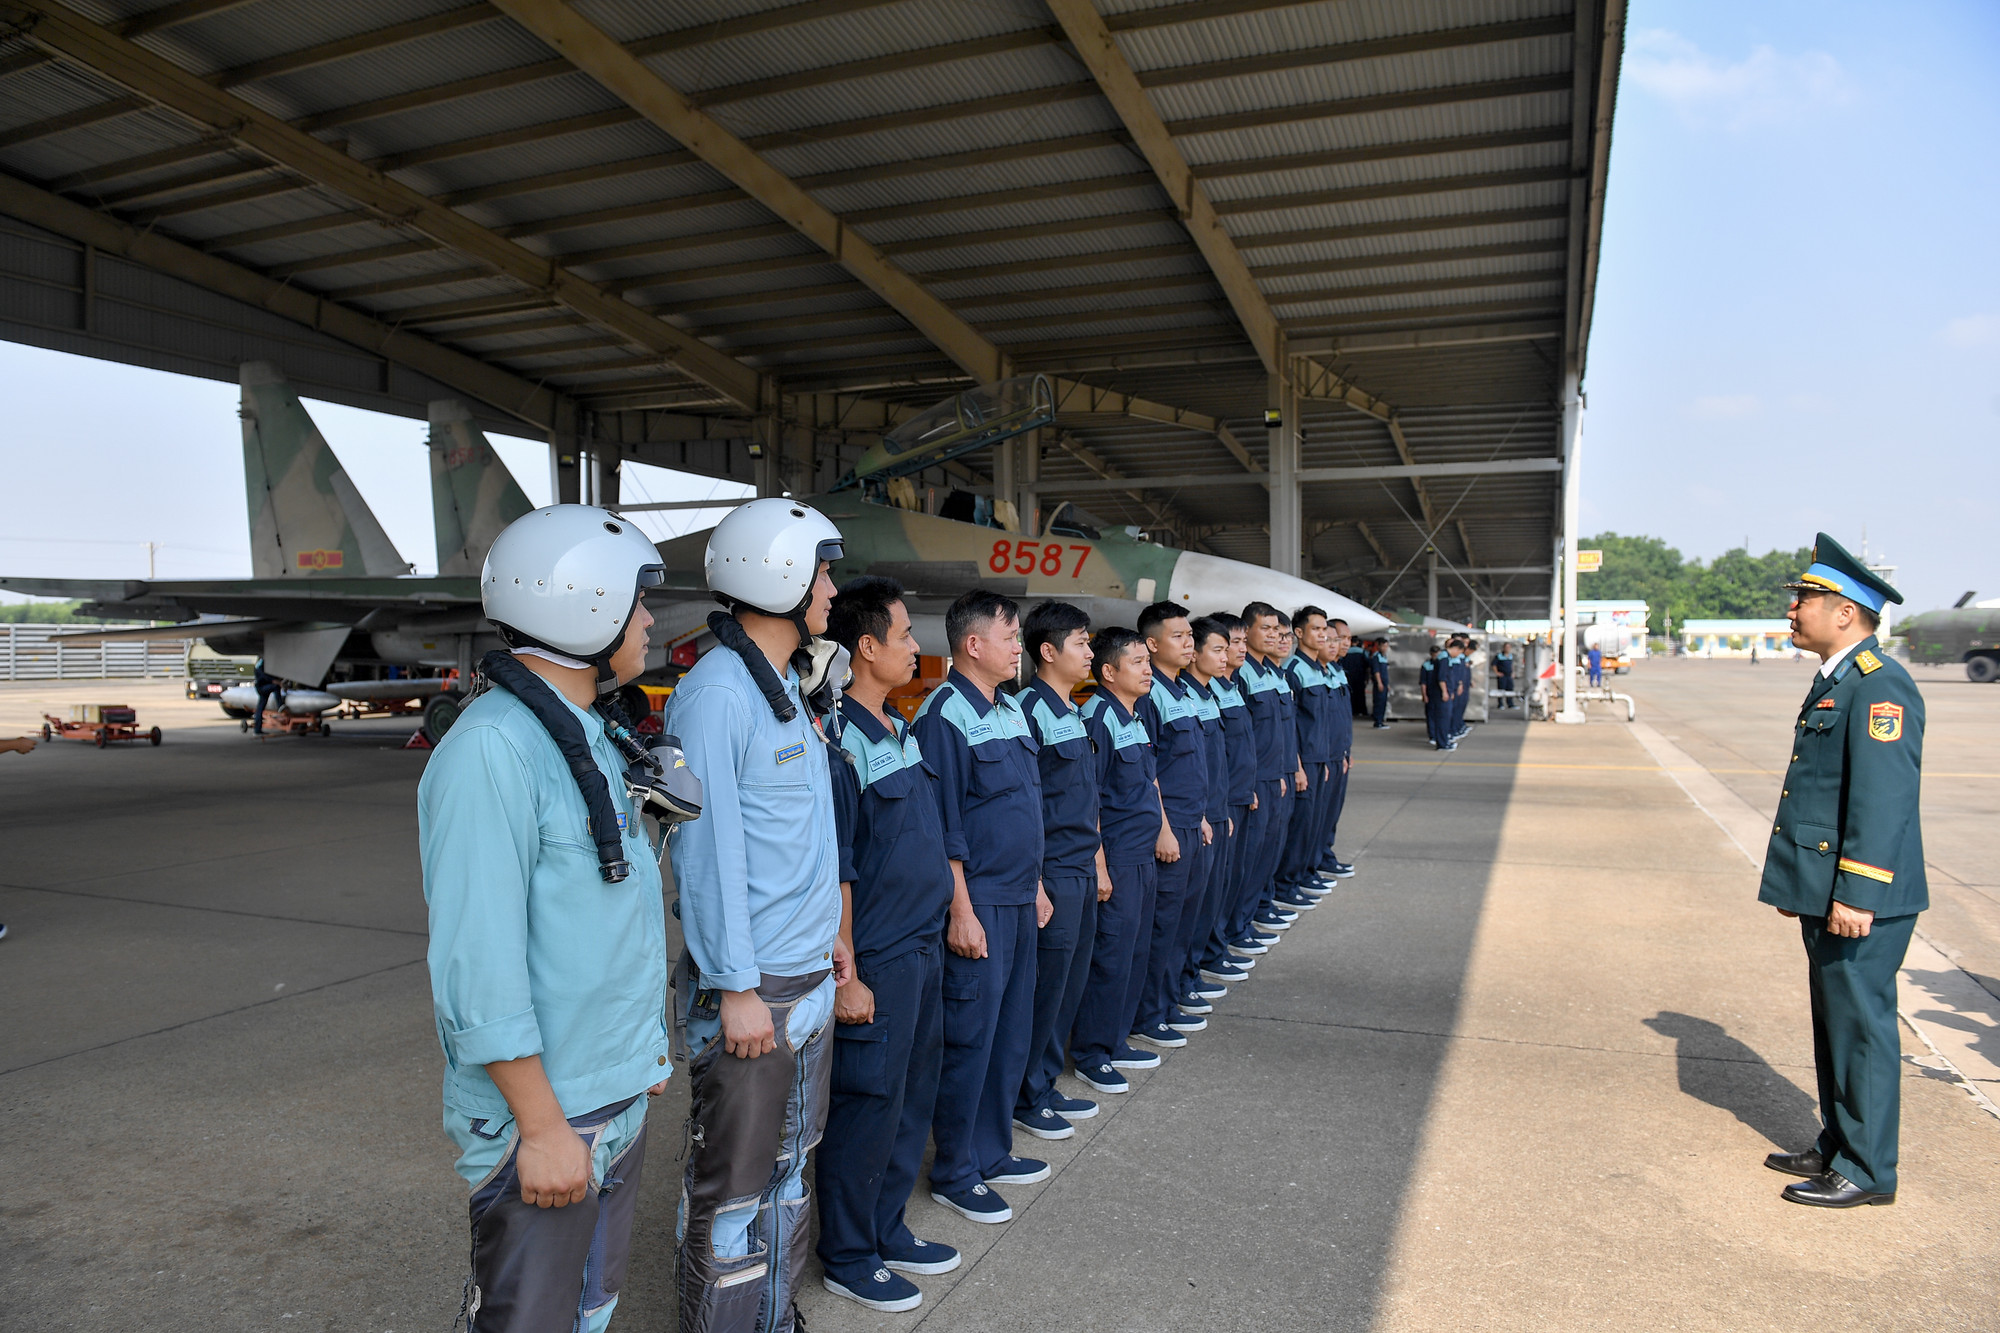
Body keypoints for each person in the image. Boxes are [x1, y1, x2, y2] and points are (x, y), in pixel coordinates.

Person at [417, 504, 674, 1333]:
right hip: (552, 1115)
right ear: (584, 603)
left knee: (589, 1311)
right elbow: (478, 965)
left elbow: (601, 918)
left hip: (608, 1094)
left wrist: (639, 1054)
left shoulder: (589, 734)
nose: (648, 619)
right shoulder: (492, 749)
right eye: (637, 600)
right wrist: (540, 1126)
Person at [666, 497, 848, 1333]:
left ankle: (772, 1318)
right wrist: (735, 986)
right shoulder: (717, 694)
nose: (831, 590)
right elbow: (707, 856)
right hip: (755, 993)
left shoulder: (783, 688)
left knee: (788, 1174)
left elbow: (797, 838)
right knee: (732, 1192)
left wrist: (832, 939)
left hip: (804, 979)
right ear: (780, 577)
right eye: (822, 573)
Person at [1758, 534, 1923, 1208]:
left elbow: (1882, 800)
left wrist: (1856, 892)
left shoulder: (1880, 685)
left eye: (1804, 600)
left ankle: (1868, 1168)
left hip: (1862, 897)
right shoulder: (1838, 679)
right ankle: (1838, 1142)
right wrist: (1801, 884)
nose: (1792, 610)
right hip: (1826, 891)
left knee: (1861, 1030)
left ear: (1846, 612)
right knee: (1835, 1025)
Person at [815, 576, 960, 1313]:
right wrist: (848, 975)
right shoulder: (840, 739)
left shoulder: (895, 725)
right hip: (880, 955)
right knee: (869, 1105)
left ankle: (885, 1227)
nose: (914, 646)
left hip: (923, 946)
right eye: (904, 634)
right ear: (866, 646)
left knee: (910, 1097)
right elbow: (838, 863)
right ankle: (848, 1253)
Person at [913, 591, 1049, 1225]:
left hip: (1020, 896)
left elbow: (1025, 803)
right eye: (1010, 636)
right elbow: (943, 827)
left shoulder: (1010, 707)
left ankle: (991, 1152)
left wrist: (1037, 882)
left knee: (1010, 1033)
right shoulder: (944, 715)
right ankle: (956, 1169)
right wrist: (961, 910)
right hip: (982, 902)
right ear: (974, 645)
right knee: (970, 1038)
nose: (1019, 646)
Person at [1014, 600, 1107, 1140]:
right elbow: (1028, 804)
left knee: (1068, 985)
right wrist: (1038, 881)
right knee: (1045, 989)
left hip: (1081, 865)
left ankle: (1044, 1083)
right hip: (1053, 872)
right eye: (1081, 643)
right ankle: (1026, 1094)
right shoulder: (1030, 709)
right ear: (1048, 651)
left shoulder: (1072, 709)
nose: (1089, 652)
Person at [1070, 627, 1167, 1097]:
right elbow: (1090, 799)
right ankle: (1092, 1053)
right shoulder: (1098, 718)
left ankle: (1116, 1038)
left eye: (1147, 661)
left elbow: (1147, 782)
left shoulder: (1134, 715)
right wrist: (1101, 865)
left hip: (1142, 855)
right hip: (1118, 857)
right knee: (1110, 956)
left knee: (1134, 951)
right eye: (1138, 662)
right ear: (1109, 672)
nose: (1148, 670)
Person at [1129, 602, 1213, 1052]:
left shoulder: (1180, 690)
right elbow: (1151, 772)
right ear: (1152, 644)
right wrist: (1164, 828)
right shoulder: (1150, 697)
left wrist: (1200, 816)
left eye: (1189, 635)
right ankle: (1148, 1013)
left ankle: (1169, 998)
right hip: (1169, 827)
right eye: (1177, 636)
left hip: (1190, 820)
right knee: (1161, 924)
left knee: (1182, 920)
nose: (1188, 643)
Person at [1172, 617, 1238, 1015]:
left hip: (1213, 809)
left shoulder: (1204, 695)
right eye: (1218, 649)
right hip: (1189, 818)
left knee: (1206, 899)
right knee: (1183, 912)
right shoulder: (1170, 696)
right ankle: (1178, 984)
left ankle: (1190, 974)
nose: (1226, 656)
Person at [1190, 613, 1259, 989]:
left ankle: (1214, 952)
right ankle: (1202, 963)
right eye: (1225, 645)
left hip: (1227, 800)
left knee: (1226, 881)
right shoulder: (1188, 695)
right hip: (1205, 810)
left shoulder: (1220, 690)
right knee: (1199, 899)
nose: (1234, 651)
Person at [1272, 607, 1335, 914]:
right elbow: (1292, 725)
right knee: (1299, 826)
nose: (1323, 635)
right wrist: (1297, 765)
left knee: (1313, 823)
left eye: (1324, 629)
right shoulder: (1294, 669)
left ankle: (1303, 875)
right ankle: (1287, 885)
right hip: (1304, 759)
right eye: (1317, 629)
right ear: (1300, 633)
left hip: (1320, 756)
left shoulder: (1318, 669)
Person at [1311, 617, 1357, 884]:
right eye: (1337, 638)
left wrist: (1345, 752)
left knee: (1330, 812)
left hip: (1337, 754)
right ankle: (1311, 864)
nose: (1341, 644)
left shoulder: (1335, 670)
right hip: (1320, 757)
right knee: (1314, 818)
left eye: (1345, 639)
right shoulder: (1303, 670)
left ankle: (1323, 856)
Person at [251, 656, 287, 735]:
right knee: (276, 687)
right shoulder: (260, 665)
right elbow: (265, 677)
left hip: (262, 686)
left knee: (260, 708)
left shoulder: (261, 663)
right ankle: (280, 705)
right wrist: (278, 682)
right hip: (262, 687)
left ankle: (257, 730)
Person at [1370, 639, 1392, 729]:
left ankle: (1381, 721)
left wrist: (1387, 684)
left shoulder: (1384, 657)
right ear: (1378, 646)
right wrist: (1379, 682)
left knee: (1383, 702)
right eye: (1383, 646)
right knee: (1378, 702)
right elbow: (1376, 671)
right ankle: (1377, 722)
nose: (1385, 648)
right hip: (1380, 683)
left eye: (1386, 646)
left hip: (1385, 683)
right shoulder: (1376, 657)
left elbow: (1385, 672)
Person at [1492, 641, 1516, 710]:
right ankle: (1500, 704)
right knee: (1501, 690)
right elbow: (1494, 665)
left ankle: (1510, 704)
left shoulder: (1510, 656)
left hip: (1509, 675)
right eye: (1506, 647)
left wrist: (1513, 672)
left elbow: (1511, 665)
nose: (1507, 648)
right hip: (1502, 675)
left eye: (1509, 647)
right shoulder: (1499, 656)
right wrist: (1497, 672)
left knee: (1510, 689)